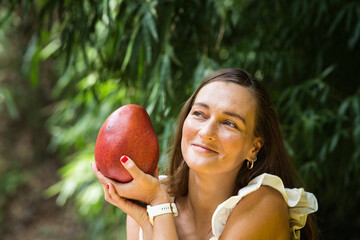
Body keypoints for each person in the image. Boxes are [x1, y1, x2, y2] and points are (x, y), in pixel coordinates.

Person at [92, 68, 318, 240]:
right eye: (199, 113)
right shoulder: (149, 202)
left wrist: (158, 203)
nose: (207, 132)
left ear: (254, 148)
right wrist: (142, 215)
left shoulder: (266, 206)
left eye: (229, 123)